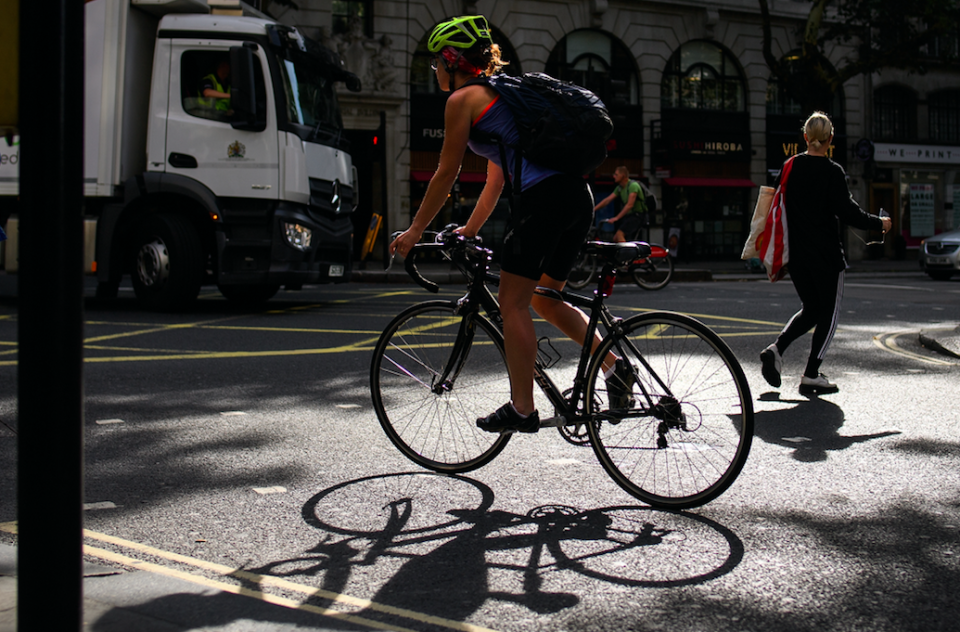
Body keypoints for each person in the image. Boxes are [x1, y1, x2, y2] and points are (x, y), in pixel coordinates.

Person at [389, 15, 631, 434]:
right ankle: (614, 366)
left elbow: (446, 173)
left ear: (451, 59)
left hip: (543, 203)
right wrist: (468, 229)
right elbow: (496, 179)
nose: (435, 71)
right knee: (544, 300)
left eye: (436, 63)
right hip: (577, 197)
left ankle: (523, 408)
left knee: (513, 303)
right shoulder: (504, 96)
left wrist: (414, 233)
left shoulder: (462, 101)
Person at [760, 111, 892, 396]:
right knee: (829, 314)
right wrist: (878, 223)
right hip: (826, 256)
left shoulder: (789, 165)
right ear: (830, 139)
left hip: (796, 255)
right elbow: (848, 213)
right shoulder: (832, 172)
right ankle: (811, 373)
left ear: (805, 137)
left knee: (811, 309)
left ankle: (776, 350)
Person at [592, 166, 647, 242]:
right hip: (630, 216)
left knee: (619, 235)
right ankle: (624, 252)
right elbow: (607, 200)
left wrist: (616, 218)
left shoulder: (633, 186)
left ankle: (626, 253)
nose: (614, 176)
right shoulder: (620, 188)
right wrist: (593, 209)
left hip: (638, 216)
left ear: (623, 176)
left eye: (616, 174)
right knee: (615, 238)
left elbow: (629, 205)